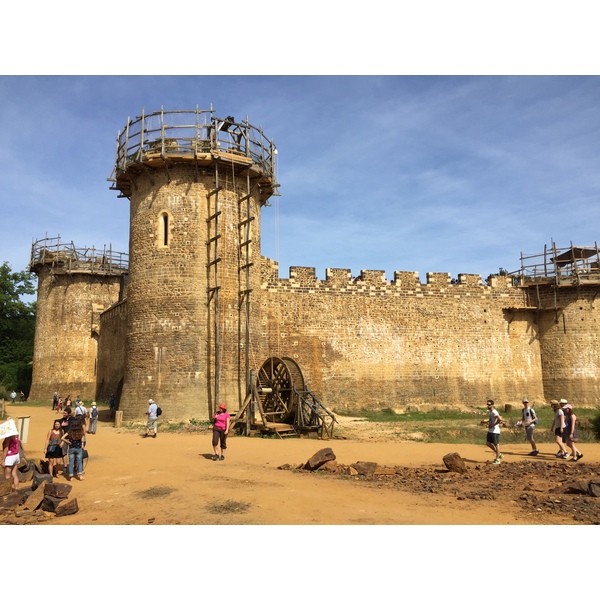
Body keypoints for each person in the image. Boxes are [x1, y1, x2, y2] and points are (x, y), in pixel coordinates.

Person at [61, 415, 86, 481]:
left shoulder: (70, 432)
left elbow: (62, 438)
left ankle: (71, 476)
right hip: (78, 448)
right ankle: (80, 475)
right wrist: (82, 445)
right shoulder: (80, 431)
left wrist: (68, 442)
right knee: (79, 462)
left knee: (71, 462)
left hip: (71, 448)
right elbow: (82, 439)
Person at [485, 399, 503, 464]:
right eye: (487, 405)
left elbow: (500, 419)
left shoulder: (494, 412)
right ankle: (499, 454)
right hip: (491, 431)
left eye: (489, 405)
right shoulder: (491, 412)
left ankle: (497, 459)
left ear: (492, 405)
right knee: (488, 443)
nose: (488, 406)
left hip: (495, 431)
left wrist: (494, 424)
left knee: (496, 444)